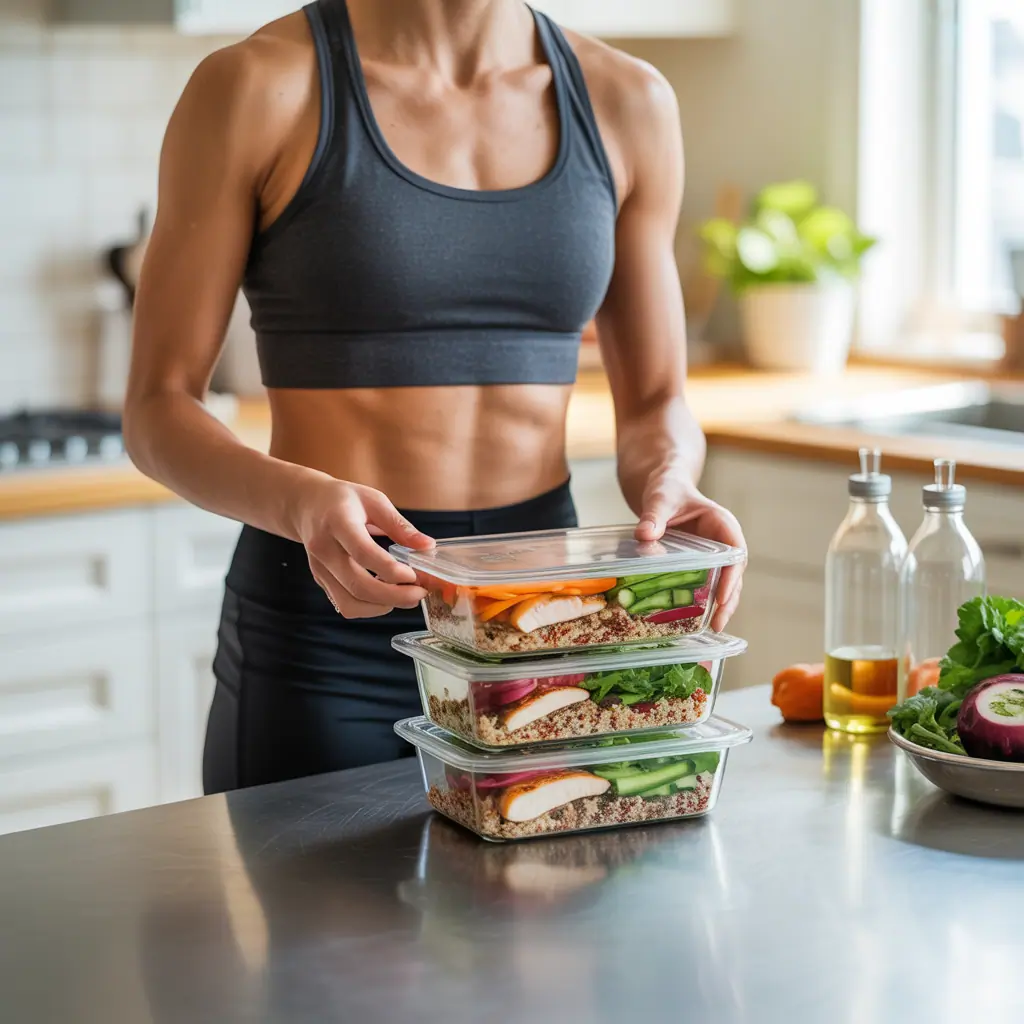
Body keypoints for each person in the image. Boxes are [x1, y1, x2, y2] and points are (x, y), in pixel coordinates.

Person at [124, 0, 746, 794]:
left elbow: (658, 401)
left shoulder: (628, 100)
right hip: (325, 636)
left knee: (536, 913)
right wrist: (303, 504)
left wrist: (671, 481)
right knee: (321, 919)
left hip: (541, 625)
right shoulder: (257, 86)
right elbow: (157, 408)